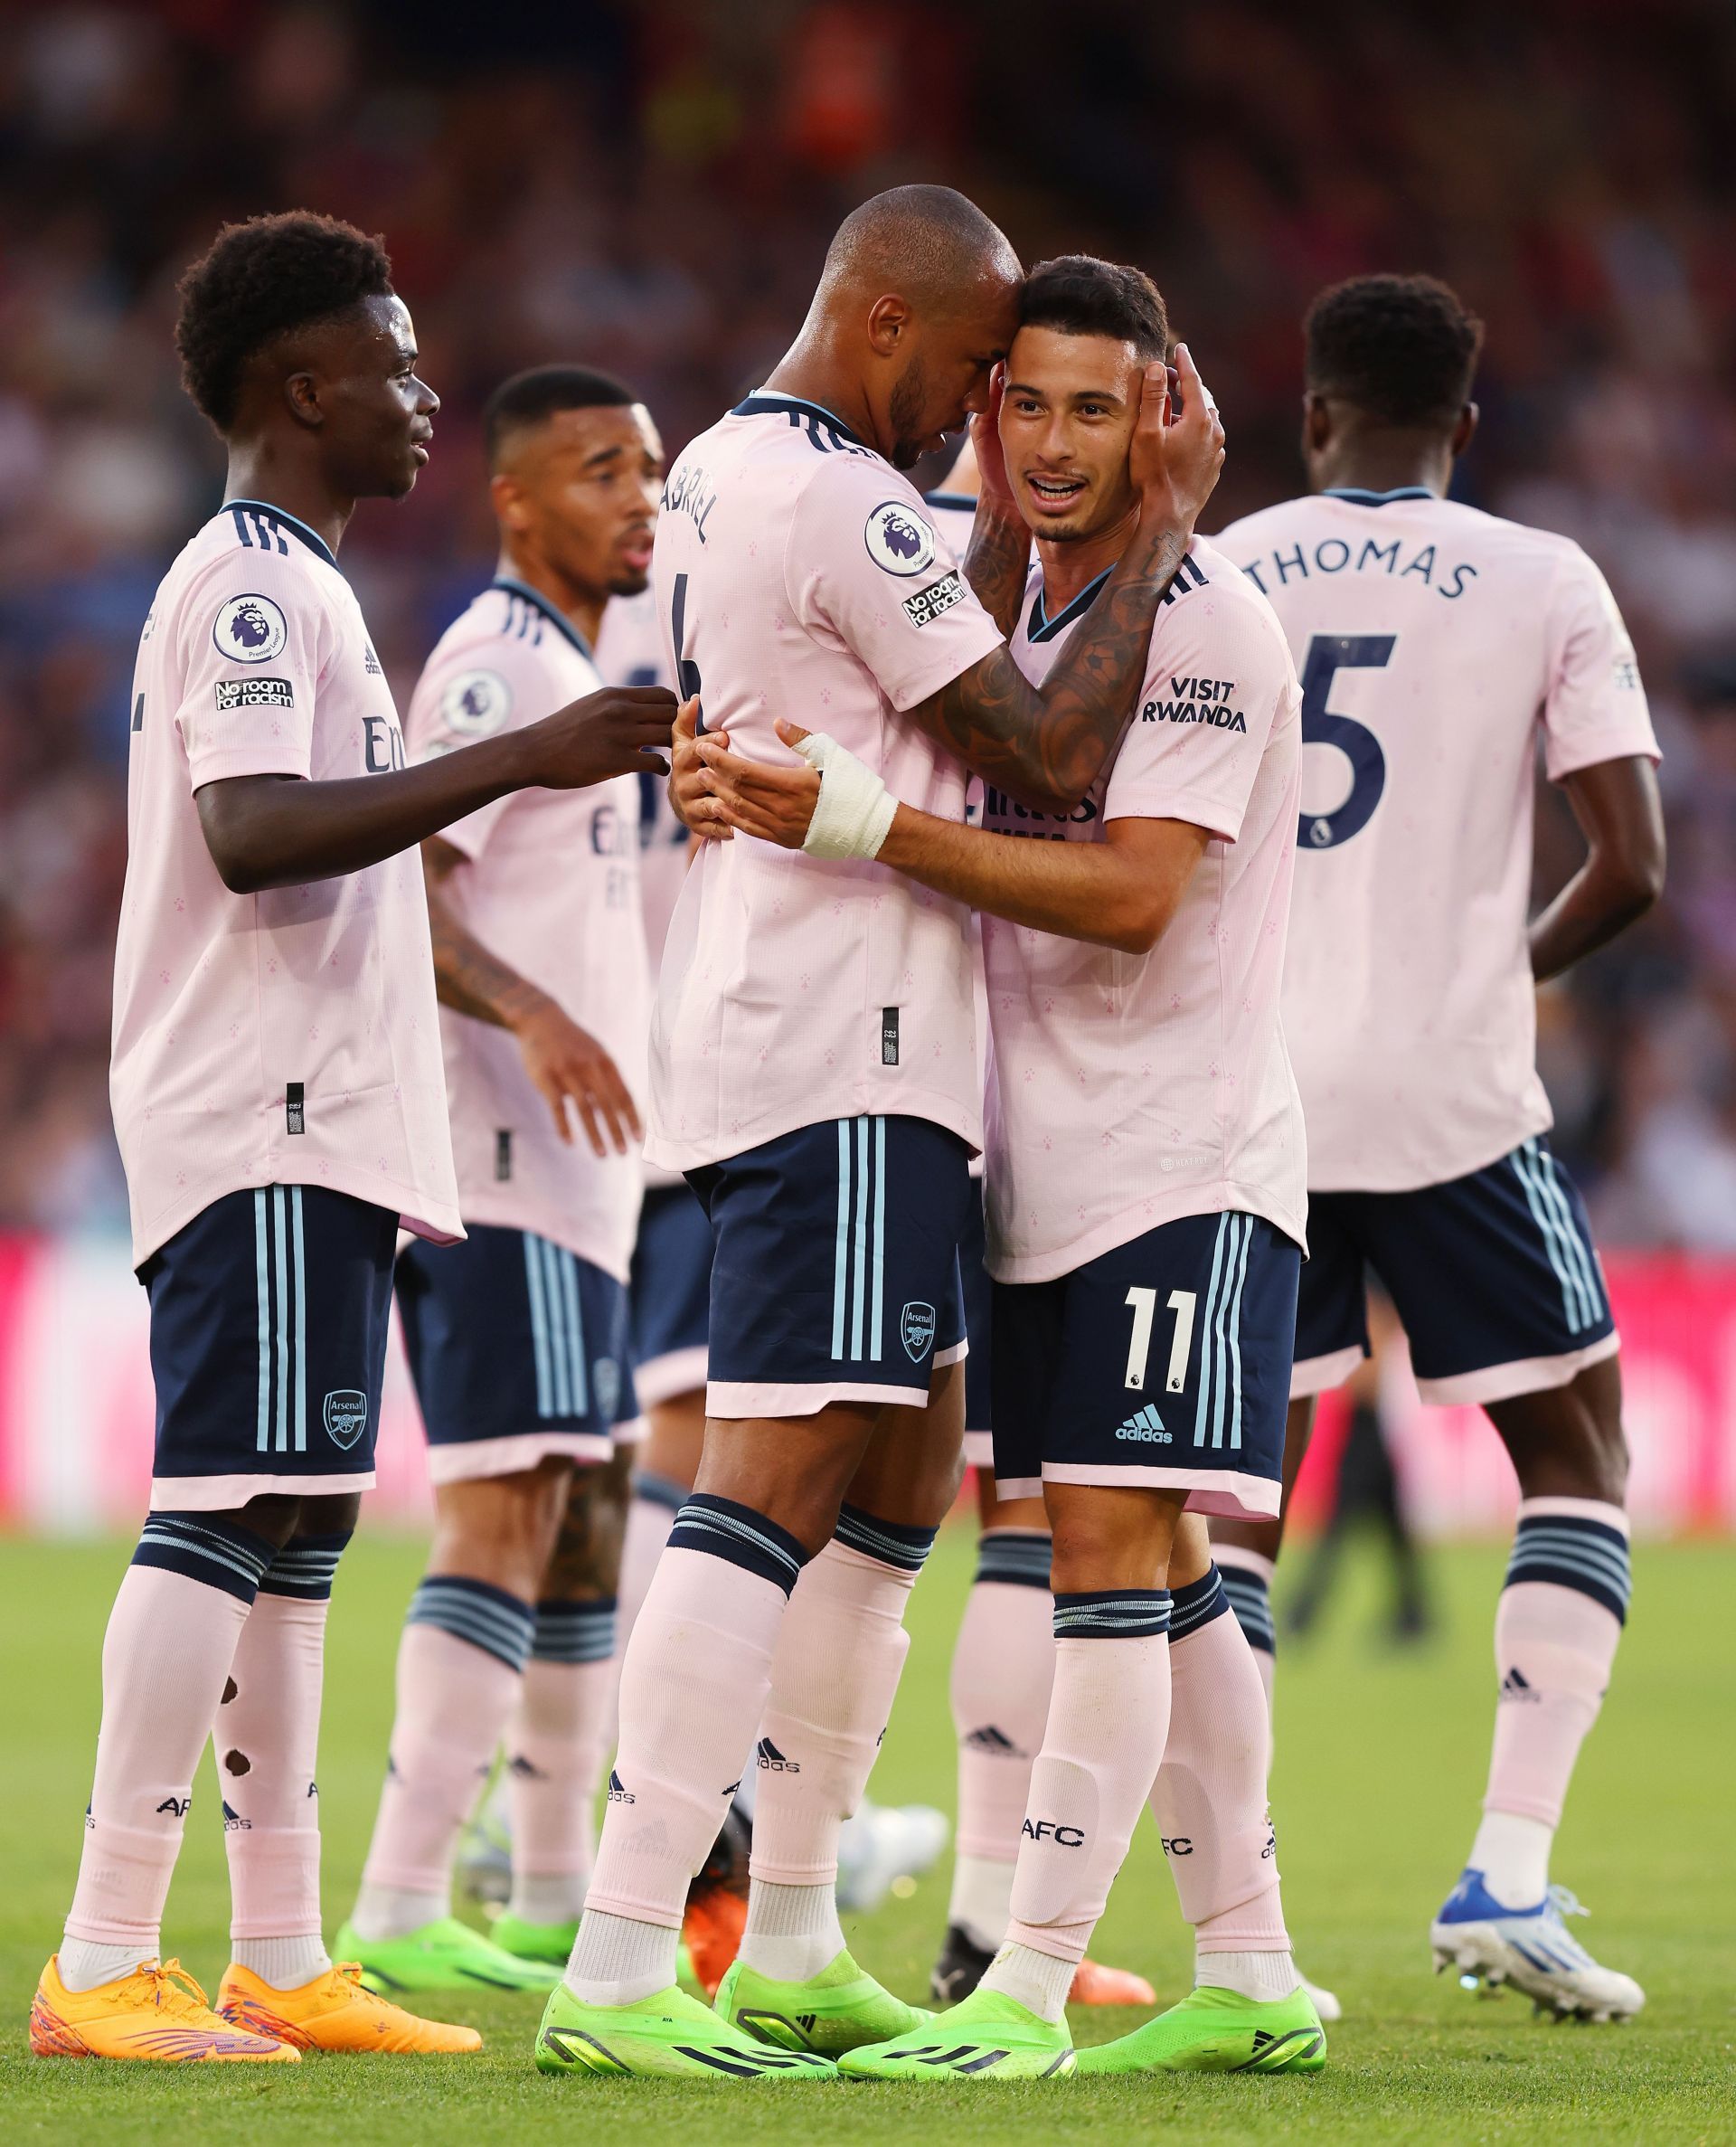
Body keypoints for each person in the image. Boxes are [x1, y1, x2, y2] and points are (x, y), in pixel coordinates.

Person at [533, 186, 1224, 2084]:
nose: (991, 411)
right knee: (778, 1469)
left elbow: (918, 664)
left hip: (855, 1033)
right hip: (847, 1036)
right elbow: (1052, 747)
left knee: (905, 1467)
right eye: (985, 369)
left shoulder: (742, 482)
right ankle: (616, 1959)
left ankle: (811, 1931)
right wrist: (1159, 518)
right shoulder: (836, 496)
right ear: (896, 323)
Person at [29, 212, 674, 2066]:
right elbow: (250, 829)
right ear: (300, 387)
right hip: (260, 1107)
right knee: (225, 1503)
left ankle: (287, 1949)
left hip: (328, 1118)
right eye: (392, 365)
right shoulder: (249, 585)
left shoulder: (310, 585)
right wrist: (519, 761)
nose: (424, 396)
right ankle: (102, 1951)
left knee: (300, 1528)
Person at [692, 254, 1324, 2082]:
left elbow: (1132, 896)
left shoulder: (1203, 619)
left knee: (1111, 1542)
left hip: (1178, 1151)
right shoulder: (1008, 607)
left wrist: (865, 825)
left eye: (1094, 407)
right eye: (1025, 402)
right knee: (1159, 1563)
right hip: (1036, 1158)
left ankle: (1030, 1983)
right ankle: (1256, 1966)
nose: (1051, 443)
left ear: (1167, 415)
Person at [1211, 274, 1663, 2024]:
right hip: (1458, 1094)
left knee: (1235, 1500)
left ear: (1314, 414)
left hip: (1264, 1095)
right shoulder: (1548, 576)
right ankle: (1510, 1871)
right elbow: (1629, 862)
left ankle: (1245, 1938)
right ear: (1466, 428)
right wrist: (1500, 962)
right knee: (1579, 1446)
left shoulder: (1232, 561)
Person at [339, 365, 664, 1994]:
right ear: (517, 499)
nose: (641, 499)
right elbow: (409, 887)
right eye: (603, 470)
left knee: (584, 1520)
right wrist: (534, 1013)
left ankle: (547, 1893)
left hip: (582, 1188)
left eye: (652, 471)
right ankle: (400, 1899)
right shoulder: (495, 662)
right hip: (494, 1171)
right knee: (503, 1509)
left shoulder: (581, 676)